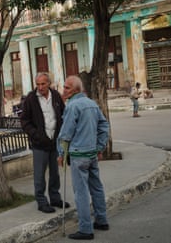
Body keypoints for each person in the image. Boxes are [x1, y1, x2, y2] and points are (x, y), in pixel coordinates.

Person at [57, 75, 110, 240]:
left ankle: (86, 229)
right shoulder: (91, 104)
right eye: (64, 87)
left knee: (81, 193)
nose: (63, 90)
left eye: (67, 88)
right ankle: (101, 220)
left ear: (76, 90)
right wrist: (99, 147)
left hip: (79, 155)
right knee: (97, 187)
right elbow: (104, 126)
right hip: (92, 154)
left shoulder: (73, 106)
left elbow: (65, 134)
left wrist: (60, 154)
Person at [20, 72, 69, 213]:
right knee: (40, 174)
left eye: (43, 84)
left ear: (49, 83)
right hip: (39, 143)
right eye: (38, 84)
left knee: (55, 173)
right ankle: (41, 201)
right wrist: (35, 134)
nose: (40, 87)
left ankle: (55, 198)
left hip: (55, 141)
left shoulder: (56, 96)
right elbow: (24, 121)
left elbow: (62, 114)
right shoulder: (31, 98)